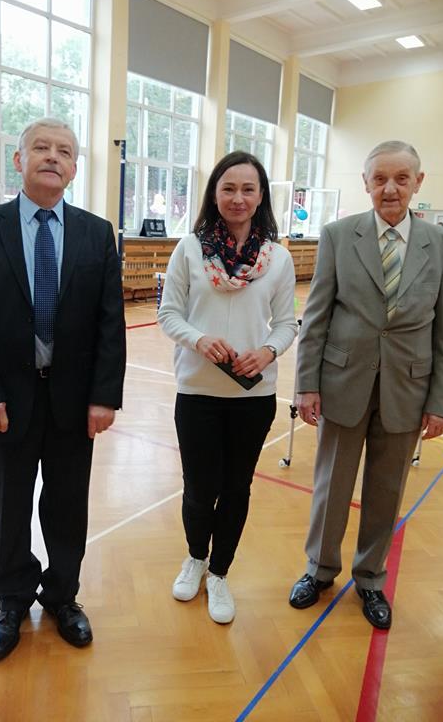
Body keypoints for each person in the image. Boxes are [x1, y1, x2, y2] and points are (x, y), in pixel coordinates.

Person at [0, 118, 126, 660]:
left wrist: (104, 396)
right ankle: (12, 600)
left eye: (64, 151)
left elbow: (109, 321)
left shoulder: (97, 233)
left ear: (75, 168)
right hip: (4, 401)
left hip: (73, 401)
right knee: (11, 504)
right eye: (40, 148)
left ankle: (63, 596)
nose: (53, 157)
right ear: (18, 161)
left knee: (68, 505)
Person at [289, 140, 443, 629]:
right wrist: (306, 384)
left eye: (401, 179)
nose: (390, 188)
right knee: (331, 486)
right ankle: (319, 569)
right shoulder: (338, 236)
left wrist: (441, 401)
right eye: (380, 179)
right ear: (365, 183)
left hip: (408, 389)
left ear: (417, 182)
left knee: (387, 491)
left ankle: (370, 578)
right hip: (342, 383)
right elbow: (316, 316)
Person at [158, 151, 297, 624]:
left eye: (248, 189)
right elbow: (168, 314)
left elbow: (286, 323)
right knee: (199, 489)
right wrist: (198, 339)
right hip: (197, 392)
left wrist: (268, 351)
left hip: (253, 397)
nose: (238, 198)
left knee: (237, 489)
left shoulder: (277, 258)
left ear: (261, 197)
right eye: (228, 188)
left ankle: (219, 572)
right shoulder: (190, 249)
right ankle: (196, 557)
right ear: (214, 194)